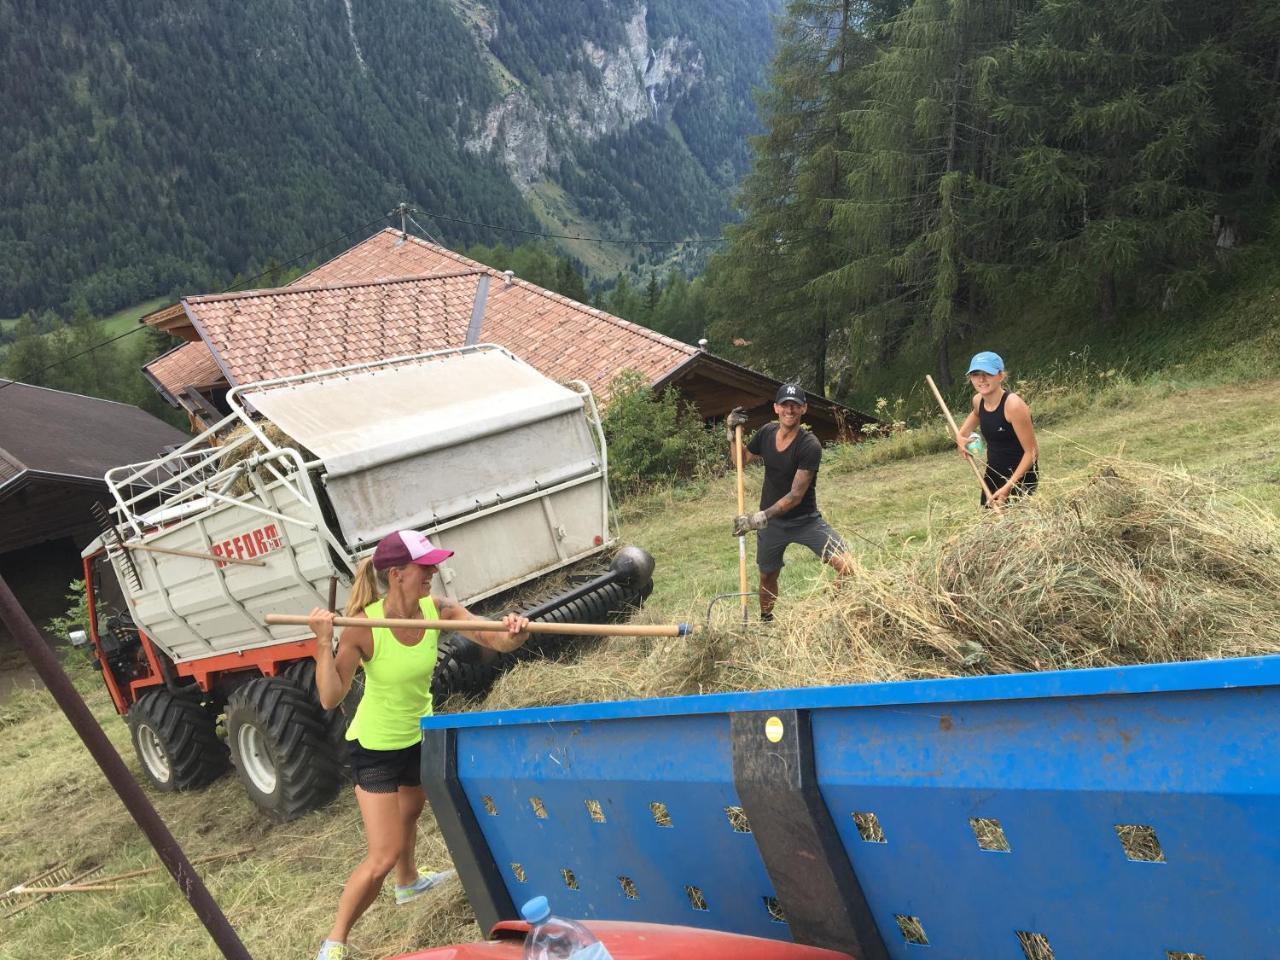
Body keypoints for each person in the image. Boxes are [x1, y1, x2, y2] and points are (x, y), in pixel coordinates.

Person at [307, 530, 530, 960]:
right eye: (424, 567)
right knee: (383, 854)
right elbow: (330, 697)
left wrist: (513, 633)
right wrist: (322, 642)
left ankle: (409, 884)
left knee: (410, 812)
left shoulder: (437, 610)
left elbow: (491, 638)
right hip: (374, 748)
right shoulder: (363, 628)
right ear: (397, 574)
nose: (433, 572)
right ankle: (334, 940)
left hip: (416, 735)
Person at [727, 384, 854, 621]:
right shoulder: (766, 432)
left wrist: (758, 518)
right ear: (776, 408)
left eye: (795, 405)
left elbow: (795, 496)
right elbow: (741, 461)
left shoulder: (809, 446)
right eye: (785, 404)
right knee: (767, 576)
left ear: (804, 409)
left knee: (849, 567)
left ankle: (828, 611)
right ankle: (766, 619)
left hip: (805, 521)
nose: (790, 410)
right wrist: (732, 435)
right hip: (773, 526)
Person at [954, 351, 1039, 507]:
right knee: (989, 526)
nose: (981, 379)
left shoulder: (1013, 405)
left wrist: (1008, 487)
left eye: (987, 373)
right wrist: (960, 437)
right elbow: (975, 415)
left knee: (1016, 527)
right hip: (993, 474)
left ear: (1000, 376)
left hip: (1020, 478)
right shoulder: (978, 400)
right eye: (975, 374)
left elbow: (1032, 453)